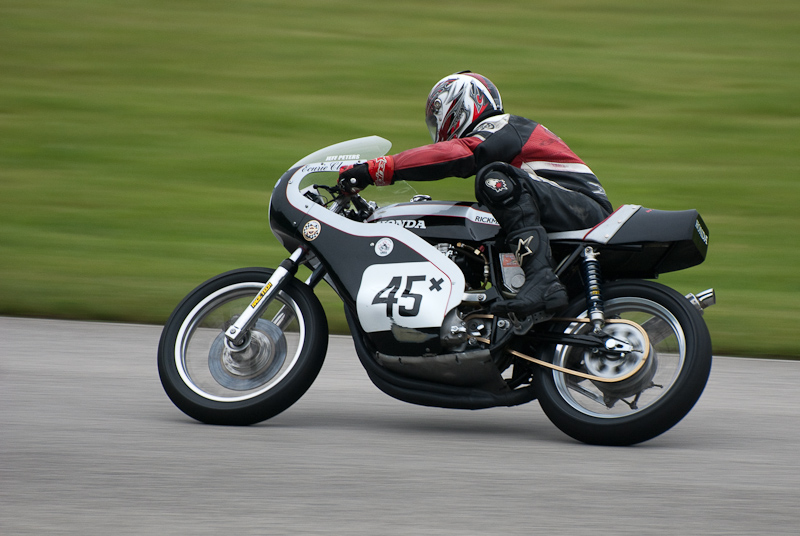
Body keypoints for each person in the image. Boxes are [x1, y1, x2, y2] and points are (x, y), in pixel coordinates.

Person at [338, 71, 612, 319]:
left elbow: (458, 154)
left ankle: (541, 279)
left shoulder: (505, 126)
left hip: (585, 209)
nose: (437, 129)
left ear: (458, 106)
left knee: (494, 179)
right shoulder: (502, 137)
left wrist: (376, 169)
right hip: (570, 210)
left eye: (437, 118)